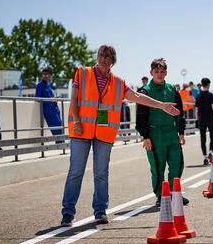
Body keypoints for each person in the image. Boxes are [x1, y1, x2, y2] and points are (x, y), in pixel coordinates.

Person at [61, 45, 179, 226]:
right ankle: (68, 214)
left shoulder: (118, 82)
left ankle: (100, 211)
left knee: (101, 173)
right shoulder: (83, 74)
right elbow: (74, 98)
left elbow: (138, 97)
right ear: (97, 56)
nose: (103, 59)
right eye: (101, 55)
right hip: (81, 130)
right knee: (75, 172)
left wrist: (162, 105)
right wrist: (76, 121)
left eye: (107, 57)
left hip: (103, 132)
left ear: (113, 61)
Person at [136, 58, 188, 208]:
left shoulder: (172, 90)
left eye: (162, 72)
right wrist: (145, 136)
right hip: (154, 134)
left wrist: (181, 132)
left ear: (166, 72)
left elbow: (180, 113)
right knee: (158, 167)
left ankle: (174, 192)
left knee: (177, 163)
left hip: (171, 133)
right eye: (156, 72)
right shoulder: (145, 92)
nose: (159, 74)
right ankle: (160, 195)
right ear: (151, 72)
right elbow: (140, 116)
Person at [195, 77, 213, 166]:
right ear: (208, 84)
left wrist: (196, 119)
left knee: (203, 138)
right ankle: (210, 152)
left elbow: (196, 109)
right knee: (212, 136)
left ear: (202, 84)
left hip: (201, 118)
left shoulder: (198, 95)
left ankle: (205, 157)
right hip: (210, 118)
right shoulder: (211, 95)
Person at [35, 68, 63, 141]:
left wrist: (54, 99)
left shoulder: (48, 84)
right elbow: (38, 99)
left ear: (50, 75)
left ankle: (61, 144)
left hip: (55, 108)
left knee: (60, 126)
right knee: (55, 128)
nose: (45, 76)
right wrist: (50, 100)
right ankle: (59, 144)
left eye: (47, 74)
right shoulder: (39, 85)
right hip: (48, 110)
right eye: (43, 74)